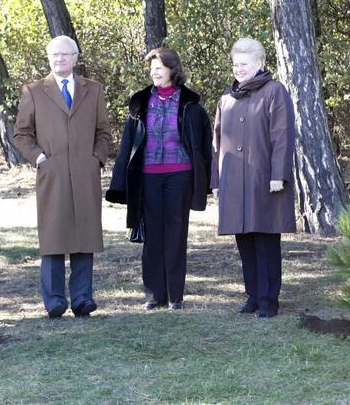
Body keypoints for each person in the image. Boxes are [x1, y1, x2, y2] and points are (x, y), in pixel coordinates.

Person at [106, 48, 212, 310]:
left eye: (159, 67)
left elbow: (204, 145)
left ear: (172, 70)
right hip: (148, 177)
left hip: (180, 175)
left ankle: (175, 296)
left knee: (176, 234)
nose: (154, 71)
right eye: (151, 67)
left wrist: (208, 181)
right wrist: (119, 183)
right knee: (153, 235)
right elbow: (128, 146)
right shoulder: (140, 103)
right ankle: (154, 296)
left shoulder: (191, 104)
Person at [14, 35, 111, 319]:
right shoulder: (34, 91)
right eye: (55, 55)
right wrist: (40, 158)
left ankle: (82, 298)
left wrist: (96, 159)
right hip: (52, 172)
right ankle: (54, 300)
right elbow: (22, 134)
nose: (60, 60)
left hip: (85, 171)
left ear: (75, 58)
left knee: (85, 234)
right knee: (54, 234)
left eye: (65, 55)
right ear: (49, 58)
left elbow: (104, 131)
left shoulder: (93, 90)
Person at [210, 38, 295, 318]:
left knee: (265, 239)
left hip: (264, 179)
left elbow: (282, 135)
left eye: (244, 64)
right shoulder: (226, 99)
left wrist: (278, 175)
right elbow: (217, 141)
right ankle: (253, 296)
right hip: (234, 181)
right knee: (244, 240)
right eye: (235, 64)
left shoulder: (274, 91)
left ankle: (269, 299)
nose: (239, 69)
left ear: (259, 63)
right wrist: (217, 180)